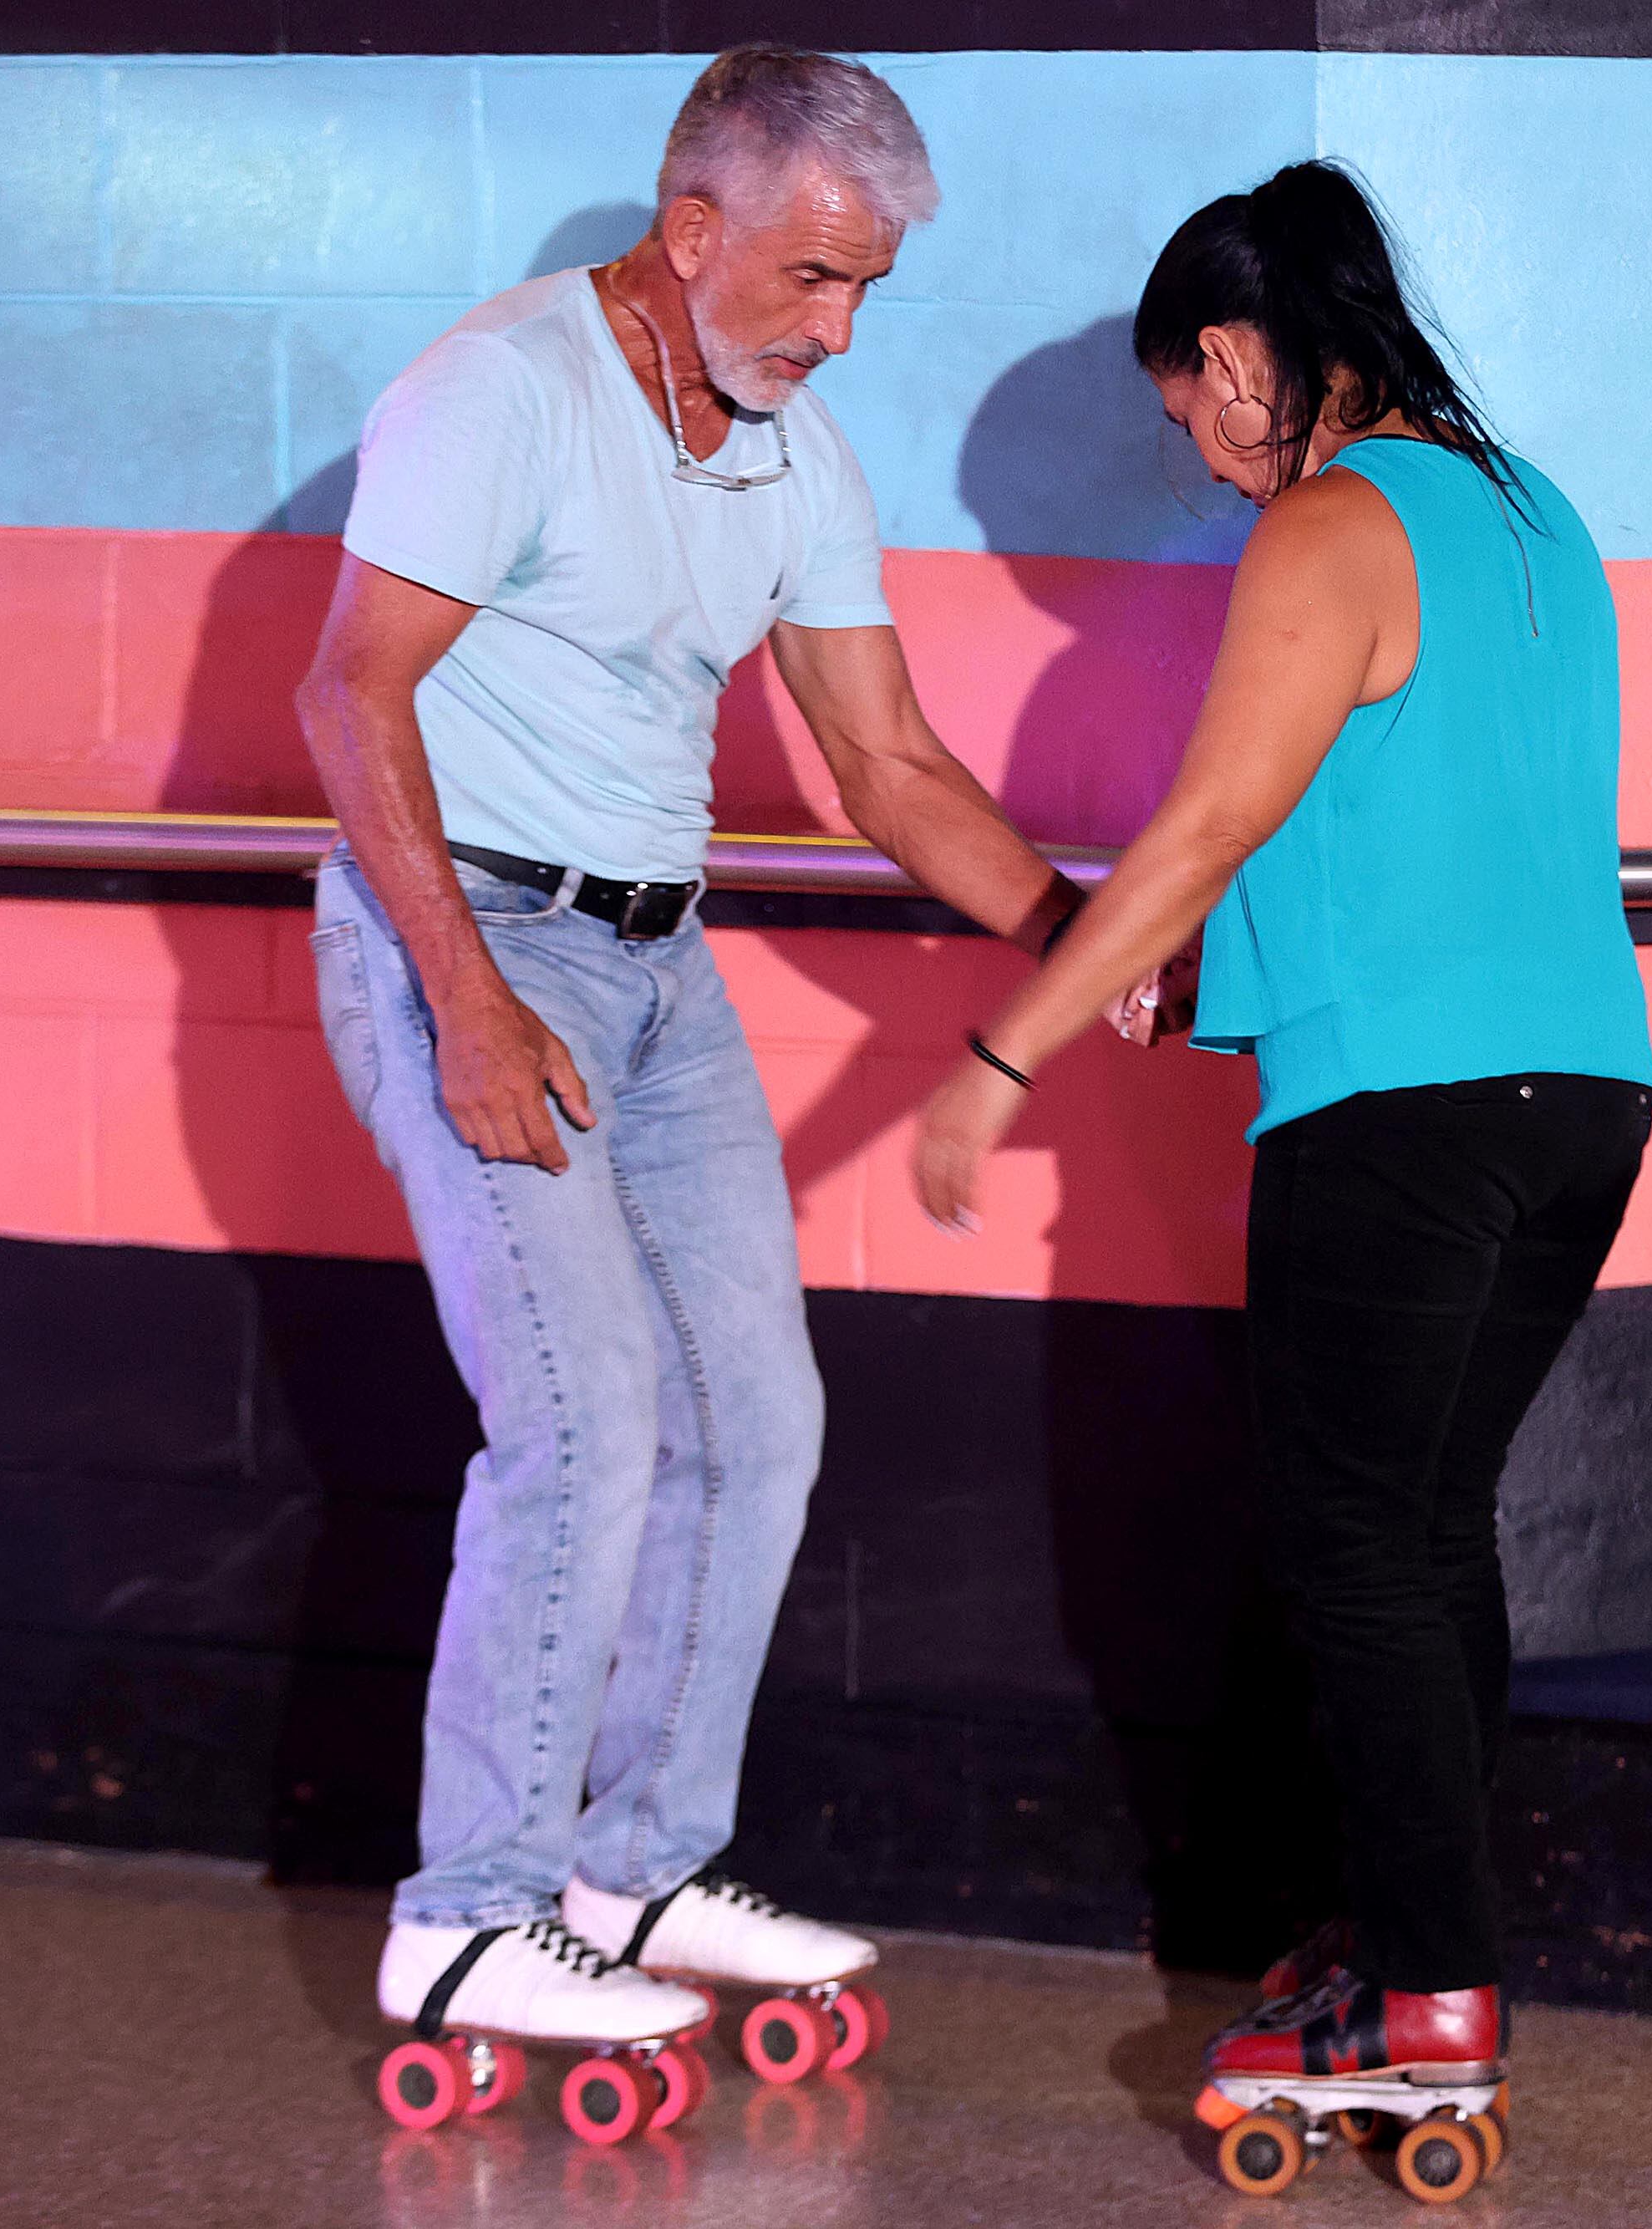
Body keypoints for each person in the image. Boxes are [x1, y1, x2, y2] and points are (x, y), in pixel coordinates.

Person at [296, 46, 1094, 2056]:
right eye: (812, 279)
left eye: (865, 292)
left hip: (657, 971)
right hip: (473, 942)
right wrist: (464, 993)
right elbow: (345, 693)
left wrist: (1098, 949)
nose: (835, 331)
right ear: (693, 230)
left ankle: (633, 1863)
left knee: (758, 1417)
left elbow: (891, 763)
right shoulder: (503, 392)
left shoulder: (786, 459)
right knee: (581, 1422)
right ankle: (465, 1908)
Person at [912, 162, 1652, 2105]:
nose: (1212, 464)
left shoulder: (1331, 522)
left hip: (1399, 1117)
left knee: (1355, 1551)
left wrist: (1002, 1056)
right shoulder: (1532, 513)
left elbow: (1206, 822)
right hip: (1581, 1096)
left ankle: (1423, 2005)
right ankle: (1418, 1951)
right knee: (1420, 1536)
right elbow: (1420, 819)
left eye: (1189, 417)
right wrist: (1206, 976)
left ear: (1242, 358)